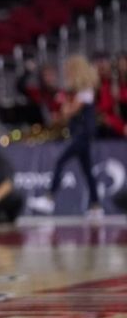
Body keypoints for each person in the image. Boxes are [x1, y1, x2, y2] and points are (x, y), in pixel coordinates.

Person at [41, 55, 101, 216]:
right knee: (87, 171)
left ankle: (49, 198)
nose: (66, 73)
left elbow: (70, 111)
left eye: (69, 70)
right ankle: (96, 206)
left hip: (83, 135)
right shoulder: (76, 91)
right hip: (79, 134)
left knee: (61, 161)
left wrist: (64, 109)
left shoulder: (86, 90)